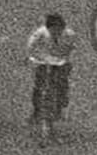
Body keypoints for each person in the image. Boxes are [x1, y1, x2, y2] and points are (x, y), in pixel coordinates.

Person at [26, 13, 74, 143]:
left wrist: (64, 63)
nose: (57, 32)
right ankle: (40, 115)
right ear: (48, 29)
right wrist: (39, 59)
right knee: (43, 90)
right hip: (43, 64)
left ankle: (58, 115)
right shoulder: (40, 34)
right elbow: (30, 48)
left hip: (59, 64)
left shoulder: (69, 35)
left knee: (61, 91)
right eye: (54, 30)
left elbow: (68, 51)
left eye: (59, 29)